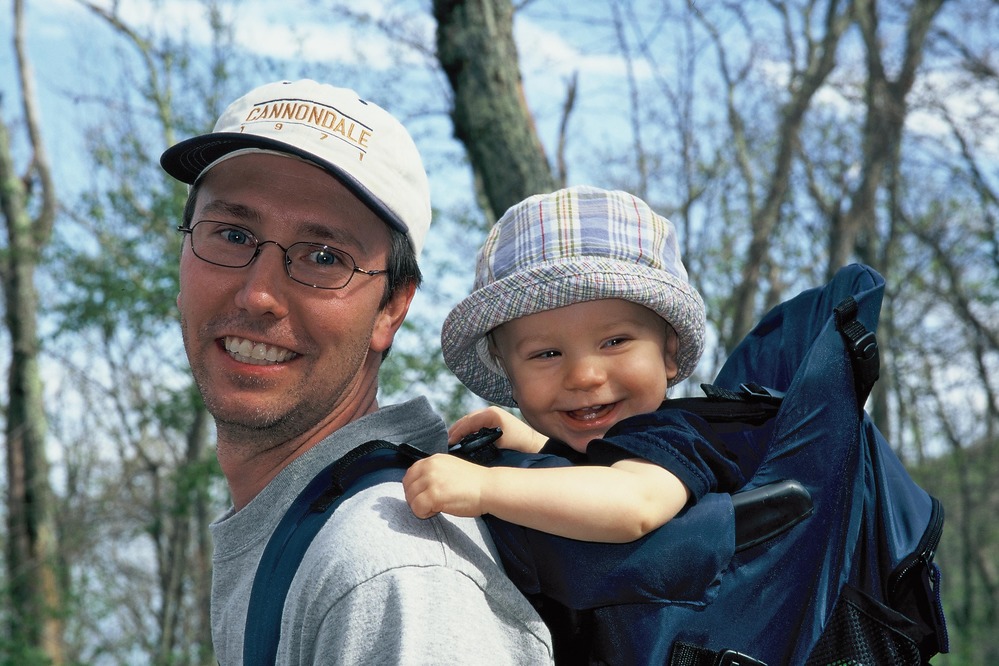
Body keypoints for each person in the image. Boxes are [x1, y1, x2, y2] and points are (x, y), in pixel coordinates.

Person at [159, 79, 553, 665]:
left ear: (391, 308)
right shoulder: (309, 528)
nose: (258, 293)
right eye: (233, 235)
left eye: (324, 257)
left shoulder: (388, 569)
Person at [403, 185, 747, 545]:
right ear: (507, 370)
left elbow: (632, 503)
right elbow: (589, 473)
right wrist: (536, 445)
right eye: (547, 354)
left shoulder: (675, 437)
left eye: (615, 342)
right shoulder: (601, 450)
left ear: (669, 353)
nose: (584, 377)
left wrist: (485, 487)